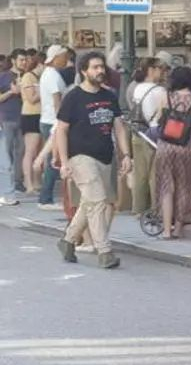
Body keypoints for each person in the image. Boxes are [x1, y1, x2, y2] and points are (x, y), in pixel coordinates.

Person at [54, 51, 131, 269]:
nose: (100, 71)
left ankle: (67, 240)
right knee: (97, 202)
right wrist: (65, 161)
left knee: (90, 202)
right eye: (95, 67)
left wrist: (125, 154)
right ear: (84, 71)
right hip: (80, 157)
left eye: (101, 67)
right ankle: (104, 251)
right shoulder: (73, 97)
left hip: (105, 156)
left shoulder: (109, 95)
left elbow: (118, 126)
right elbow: (61, 130)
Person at [151, 66, 191, 239]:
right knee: (186, 187)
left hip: (166, 146)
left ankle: (167, 230)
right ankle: (178, 227)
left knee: (166, 187)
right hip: (188, 147)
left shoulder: (165, 96)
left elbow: (159, 118)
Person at [127, 57, 167, 215]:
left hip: (138, 133)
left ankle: (138, 209)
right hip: (152, 135)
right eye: (161, 69)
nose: (163, 72)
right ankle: (156, 209)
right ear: (151, 70)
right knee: (154, 174)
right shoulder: (159, 90)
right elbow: (157, 117)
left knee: (140, 174)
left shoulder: (138, 88)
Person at [36, 45, 71, 208]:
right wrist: (61, 121)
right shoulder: (52, 76)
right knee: (53, 161)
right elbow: (58, 102)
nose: (66, 60)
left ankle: (46, 196)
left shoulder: (51, 74)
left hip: (49, 119)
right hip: (52, 121)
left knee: (53, 160)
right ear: (56, 58)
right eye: (64, 56)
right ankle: (45, 198)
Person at [0, 52, 21, 207]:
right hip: (6, 120)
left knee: (7, 162)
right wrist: (11, 92)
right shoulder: (4, 77)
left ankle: (8, 194)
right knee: (6, 160)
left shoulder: (26, 75)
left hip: (15, 120)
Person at [19, 50, 41, 196]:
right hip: (30, 115)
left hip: (40, 114)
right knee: (30, 151)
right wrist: (42, 89)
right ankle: (28, 183)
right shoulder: (28, 77)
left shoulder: (37, 77)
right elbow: (31, 98)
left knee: (39, 151)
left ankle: (37, 181)